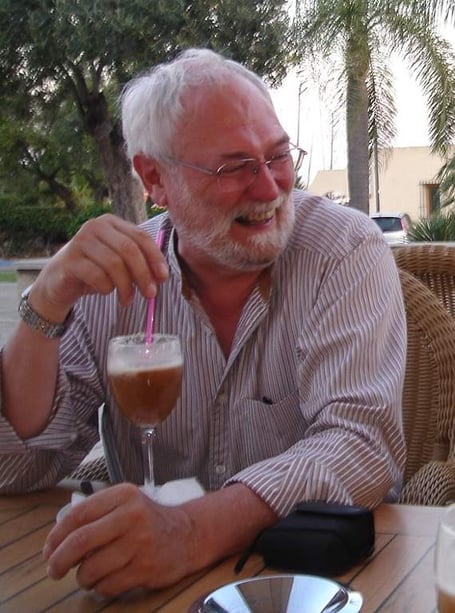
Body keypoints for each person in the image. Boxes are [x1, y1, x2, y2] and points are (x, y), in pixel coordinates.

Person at [0, 48, 406, 597]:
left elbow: (361, 445)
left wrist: (189, 533)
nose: (268, 189)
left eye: (277, 155)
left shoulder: (341, 251)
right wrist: (45, 303)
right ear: (155, 178)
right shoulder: (113, 280)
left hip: (320, 585)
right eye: (233, 167)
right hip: (147, 588)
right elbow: (17, 468)